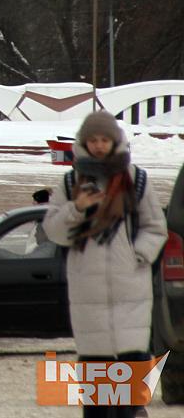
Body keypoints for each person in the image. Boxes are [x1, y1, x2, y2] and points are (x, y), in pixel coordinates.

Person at [43, 111, 166, 418]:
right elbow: (53, 230)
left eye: (105, 140)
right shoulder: (71, 181)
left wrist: (137, 256)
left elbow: (155, 227)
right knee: (97, 394)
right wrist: (77, 208)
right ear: (85, 143)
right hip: (89, 296)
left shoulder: (136, 180)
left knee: (128, 393)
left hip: (131, 294)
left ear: (115, 142)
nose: (99, 146)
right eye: (93, 140)